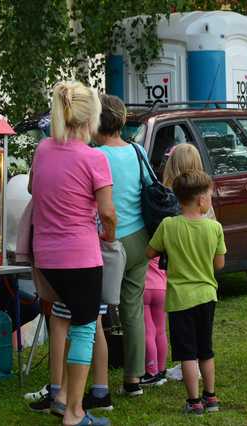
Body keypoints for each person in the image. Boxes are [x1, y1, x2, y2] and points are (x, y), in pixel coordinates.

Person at [30, 81, 115, 426]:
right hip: (81, 257)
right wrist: (108, 234)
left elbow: (35, 188)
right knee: (84, 329)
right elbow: (108, 213)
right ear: (91, 118)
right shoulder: (95, 158)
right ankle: (75, 413)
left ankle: (62, 395)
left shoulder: (43, 150)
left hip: (46, 259)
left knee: (65, 315)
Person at [146, 170, 226, 416]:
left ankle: (194, 402)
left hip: (180, 299)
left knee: (187, 353)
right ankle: (211, 396)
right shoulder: (214, 228)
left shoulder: (168, 226)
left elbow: (150, 252)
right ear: (201, 199)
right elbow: (219, 264)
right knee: (205, 349)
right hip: (206, 296)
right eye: (210, 196)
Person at [94, 94, 151, 396]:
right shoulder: (138, 151)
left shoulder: (95, 156)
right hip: (140, 237)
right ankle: (134, 378)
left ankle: (95, 376)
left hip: (106, 240)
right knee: (132, 309)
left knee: (93, 308)